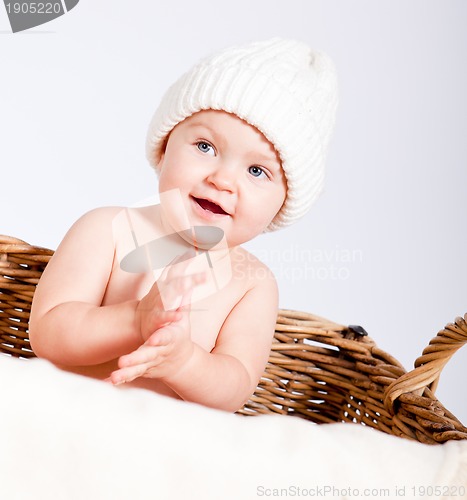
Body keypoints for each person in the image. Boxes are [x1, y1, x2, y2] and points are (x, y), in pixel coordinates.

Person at [29, 38, 338, 412]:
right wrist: (135, 319)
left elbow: (235, 387)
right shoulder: (106, 230)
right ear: (163, 149)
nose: (223, 180)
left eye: (257, 171)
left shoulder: (251, 284)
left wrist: (185, 363)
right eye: (206, 147)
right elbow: (47, 332)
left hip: (164, 450)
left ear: (280, 207)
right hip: (63, 416)